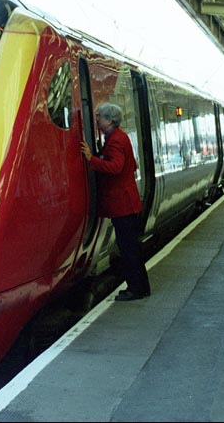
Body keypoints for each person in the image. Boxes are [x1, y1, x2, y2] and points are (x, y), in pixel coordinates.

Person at [80, 102, 150, 301]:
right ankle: (140, 287)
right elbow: (132, 165)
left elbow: (117, 167)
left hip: (123, 204)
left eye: (99, 116)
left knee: (128, 248)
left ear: (109, 120)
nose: (97, 119)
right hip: (126, 202)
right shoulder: (117, 137)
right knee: (130, 247)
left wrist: (91, 159)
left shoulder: (116, 140)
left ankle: (136, 289)